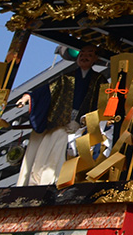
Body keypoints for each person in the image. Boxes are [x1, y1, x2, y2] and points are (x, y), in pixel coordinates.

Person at [14, 45, 102, 187]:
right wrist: (28, 97)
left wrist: (83, 122)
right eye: (82, 53)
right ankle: (44, 182)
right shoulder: (66, 78)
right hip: (62, 123)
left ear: (95, 59)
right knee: (50, 150)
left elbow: (101, 103)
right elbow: (46, 91)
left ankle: (65, 181)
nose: (84, 56)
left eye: (90, 54)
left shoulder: (99, 79)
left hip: (85, 127)